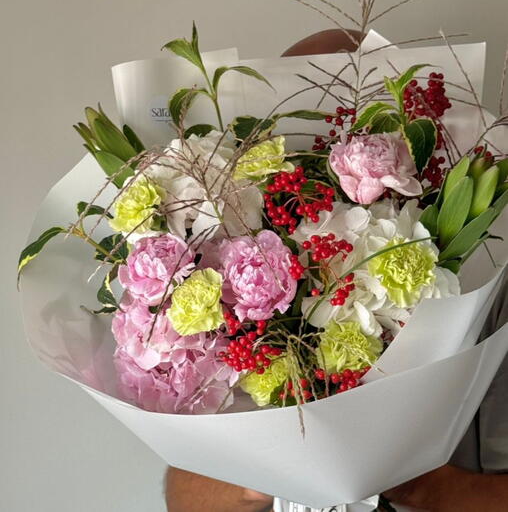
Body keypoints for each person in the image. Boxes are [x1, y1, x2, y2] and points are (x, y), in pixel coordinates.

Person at [164, 30, 508, 512]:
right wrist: (259, 468)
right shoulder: (229, 286)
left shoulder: (482, 277)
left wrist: (418, 484)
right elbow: (185, 499)